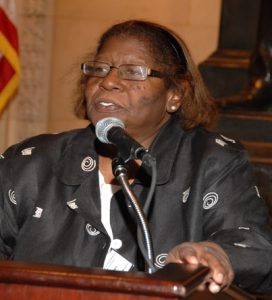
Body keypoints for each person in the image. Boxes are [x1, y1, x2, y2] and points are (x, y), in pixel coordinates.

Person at [0, 20, 271, 295]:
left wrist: (214, 254)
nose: (107, 82)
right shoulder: (31, 161)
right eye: (99, 69)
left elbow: (252, 245)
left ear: (175, 94)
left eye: (133, 72)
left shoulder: (212, 160)